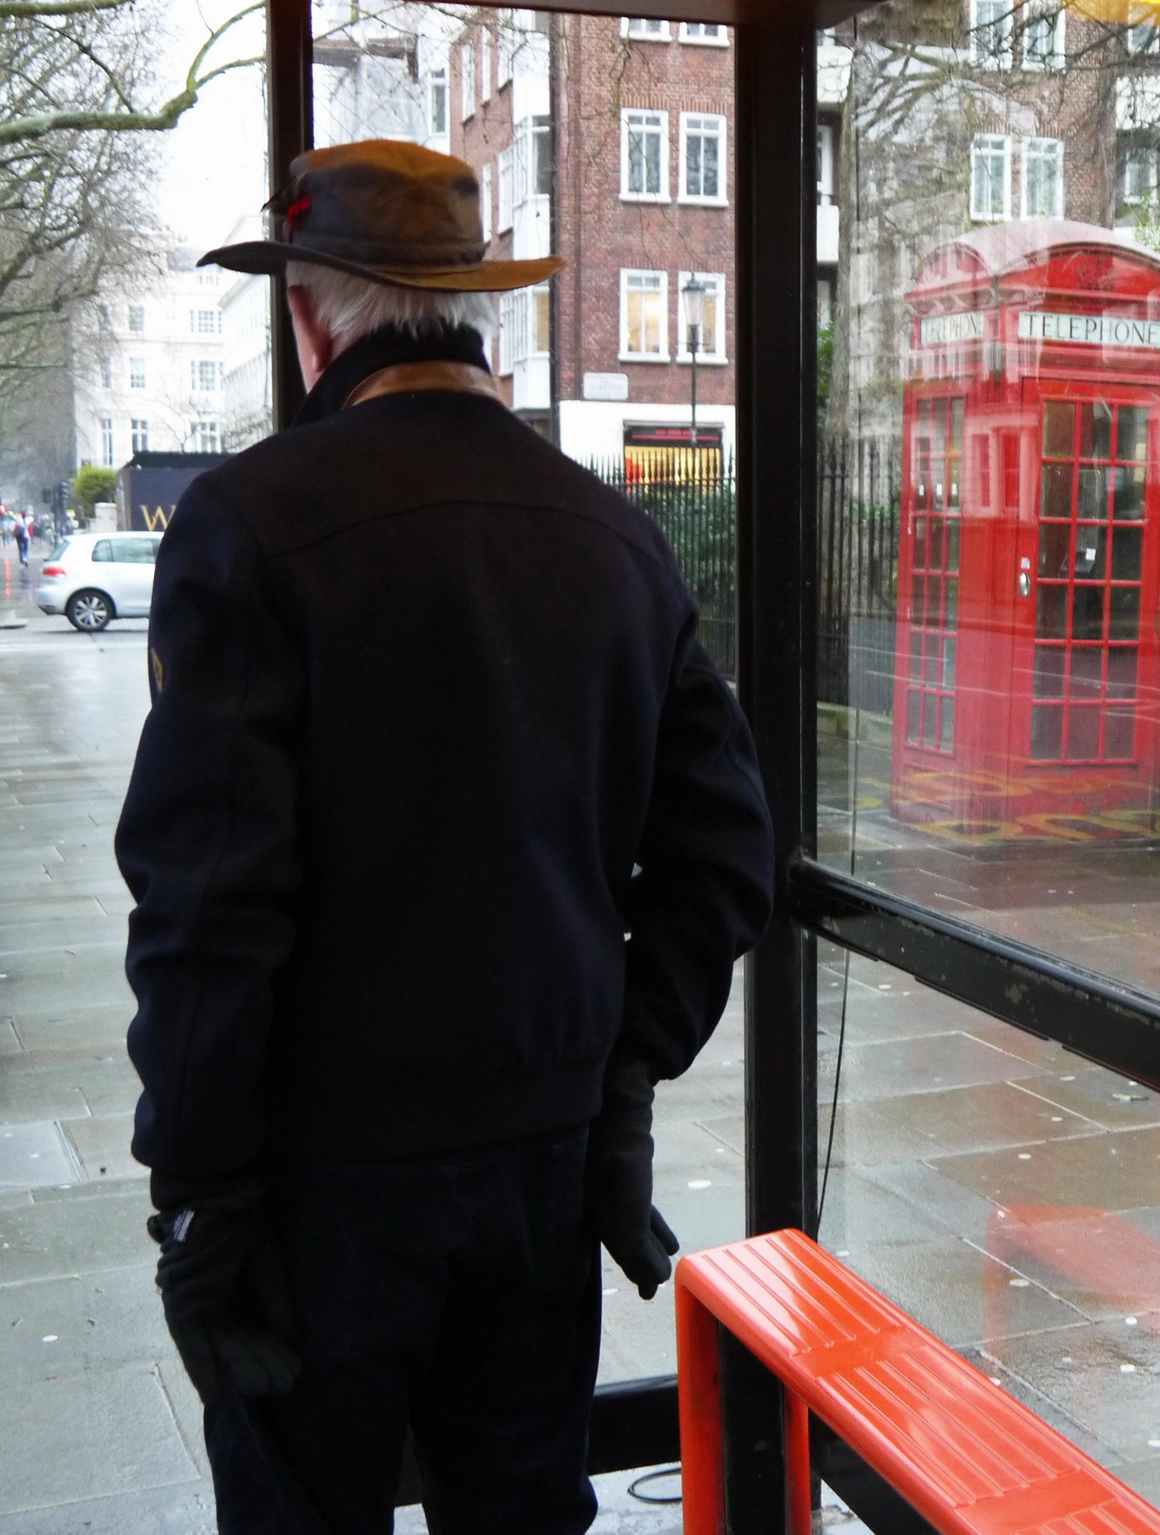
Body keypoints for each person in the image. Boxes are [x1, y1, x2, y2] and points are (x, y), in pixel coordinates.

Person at [115, 140, 777, 1534]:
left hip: (315, 1191)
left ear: (311, 317)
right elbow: (725, 856)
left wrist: (202, 1192)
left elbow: (205, 907)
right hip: (540, 1170)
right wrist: (620, 1073)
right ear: (470, 304)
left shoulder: (247, 525)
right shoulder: (616, 539)